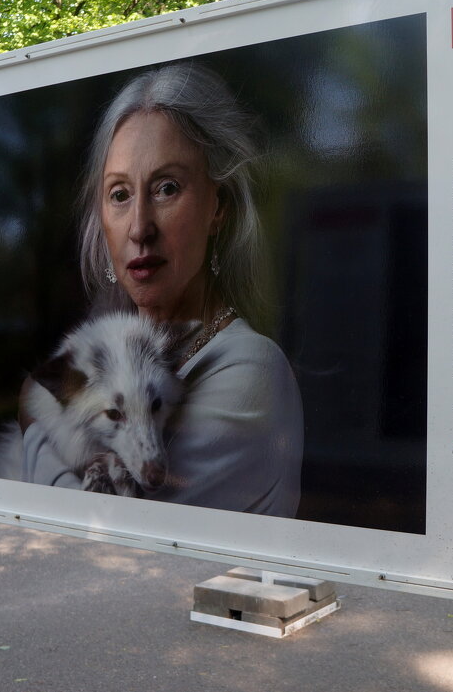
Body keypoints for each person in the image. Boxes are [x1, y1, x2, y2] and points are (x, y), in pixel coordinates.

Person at [21, 63, 304, 516]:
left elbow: (105, 532)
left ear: (218, 206)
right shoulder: (120, 356)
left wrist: (35, 423)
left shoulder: (251, 371)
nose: (139, 228)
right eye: (119, 194)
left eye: (166, 188)